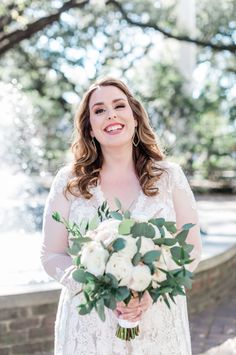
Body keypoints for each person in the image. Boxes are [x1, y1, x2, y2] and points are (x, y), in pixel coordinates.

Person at [41, 77, 202, 355]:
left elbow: (191, 249)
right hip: (90, 325)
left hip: (157, 321)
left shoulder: (168, 177)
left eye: (119, 105)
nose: (111, 114)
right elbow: (51, 254)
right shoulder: (69, 182)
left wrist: (149, 293)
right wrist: (96, 287)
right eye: (99, 110)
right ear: (90, 128)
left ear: (135, 117)